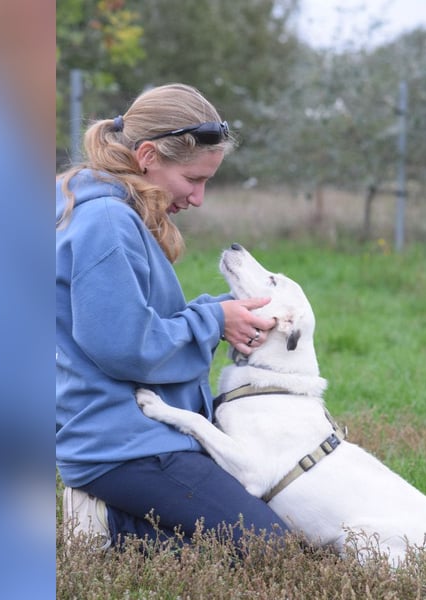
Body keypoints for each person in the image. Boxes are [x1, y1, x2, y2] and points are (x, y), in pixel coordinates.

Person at [56, 83, 287, 549]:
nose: (198, 198)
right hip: (123, 446)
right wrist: (214, 322)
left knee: (277, 526)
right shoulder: (106, 223)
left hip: (139, 435)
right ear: (147, 156)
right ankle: (105, 524)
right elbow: (125, 347)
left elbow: (135, 322)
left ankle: (122, 514)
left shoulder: (106, 211)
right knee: (268, 549)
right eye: (193, 179)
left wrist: (220, 312)